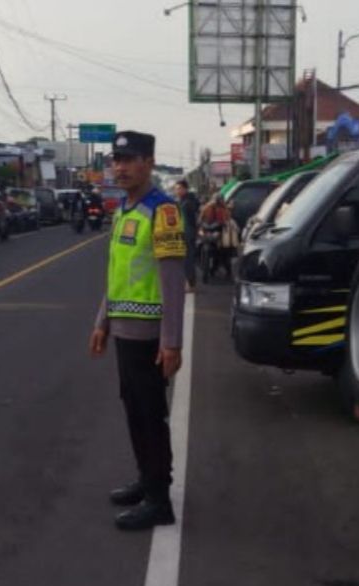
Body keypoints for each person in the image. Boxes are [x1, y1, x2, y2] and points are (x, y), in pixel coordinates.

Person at [88, 130, 187, 531]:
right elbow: (117, 274)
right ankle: (146, 481)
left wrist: (172, 341)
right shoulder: (122, 211)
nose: (121, 167)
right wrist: (102, 321)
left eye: (130, 160)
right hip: (125, 333)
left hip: (150, 337)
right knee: (134, 410)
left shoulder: (163, 212)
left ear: (149, 162)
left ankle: (159, 500)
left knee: (150, 415)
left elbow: (173, 281)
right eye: (117, 160)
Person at [174, 179, 200, 289]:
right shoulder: (182, 201)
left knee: (187, 259)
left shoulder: (188, 202)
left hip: (187, 233)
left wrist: (192, 233)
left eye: (179, 188)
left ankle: (190, 283)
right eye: (176, 189)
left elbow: (192, 220)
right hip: (183, 232)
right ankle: (189, 282)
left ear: (185, 189)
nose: (177, 191)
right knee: (184, 259)